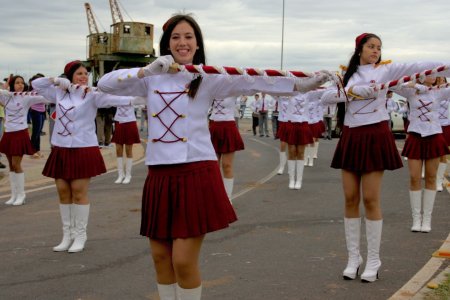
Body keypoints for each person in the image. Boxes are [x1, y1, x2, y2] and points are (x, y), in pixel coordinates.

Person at [97, 14, 328, 300]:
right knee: (159, 256)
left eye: (188, 37)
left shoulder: (206, 78)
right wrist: (147, 70)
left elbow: (251, 82)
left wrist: (300, 84)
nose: (182, 42)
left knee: (182, 259)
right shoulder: (149, 79)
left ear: (197, 44)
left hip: (196, 171)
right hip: (159, 174)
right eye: (176, 37)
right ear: (166, 43)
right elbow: (106, 84)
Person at [321, 32, 450, 283]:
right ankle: (353, 258)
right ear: (359, 49)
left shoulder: (386, 72)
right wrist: (353, 91)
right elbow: (325, 97)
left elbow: (421, 66)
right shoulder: (347, 75)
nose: (376, 51)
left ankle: (373, 260)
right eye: (371, 47)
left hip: (375, 135)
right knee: (350, 198)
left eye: (379, 47)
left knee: (370, 198)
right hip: (351, 136)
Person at [32, 60, 135, 253]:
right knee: (63, 191)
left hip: (83, 147)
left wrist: (143, 98)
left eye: (85, 74)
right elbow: (36, 85)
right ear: (70, 76)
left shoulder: (92, 95)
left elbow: (117, 99)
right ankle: (67, 235)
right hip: (61, 148)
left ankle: (80, 235)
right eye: (79, 73)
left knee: (78, 192)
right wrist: (56, 80)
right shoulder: (58, 92)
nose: (84, 77)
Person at [393, 77, 450, 232]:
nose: (432, 77)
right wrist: (412, 84)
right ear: (422, 75)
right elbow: (393, 85)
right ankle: (416, 219)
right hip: (415, 135)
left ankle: (427, 220)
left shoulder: (440, 92)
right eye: (428, 73)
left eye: (435, 74)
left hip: (434, 135)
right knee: (414, 177)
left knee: (431, 177)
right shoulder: (411, 92)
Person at [0, 75, 45, 205]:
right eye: (17, 83)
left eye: (22, 83)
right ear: (12, 84)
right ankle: (14, 195)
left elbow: (45, 98)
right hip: (8, 134)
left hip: (20, 133)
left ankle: (21, 194)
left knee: (16, 164)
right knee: (11, 166)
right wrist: (5, 88)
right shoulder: (6, 97)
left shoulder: (26, 98)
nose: (20, 85)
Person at [209, 97, 245, 202]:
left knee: (226, 165)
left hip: (228, 127)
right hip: (214, 126)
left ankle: (228, 198)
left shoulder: (233, 87)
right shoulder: (213, 86)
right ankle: (215, 195)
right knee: (213, 166)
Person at [285, 92, 313, 189]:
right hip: (291, 123)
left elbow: (321, 92)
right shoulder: (290, 91)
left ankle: (299, 180)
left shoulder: (309, 93)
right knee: (291, 151)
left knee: (301, 152)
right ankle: (291, 179)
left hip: (303, 124)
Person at [111, 103, 141, 184]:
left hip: (130, 121)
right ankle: (120, 175)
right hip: (119, 121)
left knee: (128, 149)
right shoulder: (117, 93)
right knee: (118, 149)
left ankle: (128, 175)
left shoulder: (132, 94)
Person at [435, 77, 449, 192]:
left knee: (443, 155)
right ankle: (429, 173)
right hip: (434, 127)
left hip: (446, 126)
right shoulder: (431, 92)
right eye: (439, 80)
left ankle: (439, 181)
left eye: (443, 80)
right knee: (434, 154)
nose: (441, 82)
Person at [28, 73, 46, 158]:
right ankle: (31, 151)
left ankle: (37, 149)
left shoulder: (42, 90)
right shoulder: (33, 92)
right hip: (35, 111)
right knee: (35, 132)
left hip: (42, 111)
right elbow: (42, 100)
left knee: (39, 132)